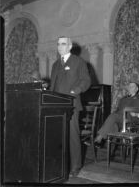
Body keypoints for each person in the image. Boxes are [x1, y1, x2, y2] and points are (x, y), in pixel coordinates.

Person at [50, 36, 91, 177]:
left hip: (71, 104)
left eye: (63, 44)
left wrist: (76, 90)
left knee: (72, 136)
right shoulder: (55, 64)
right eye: (58, 44)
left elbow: (86, 81)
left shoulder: (78, 62)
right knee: (57, 136)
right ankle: (60, 163)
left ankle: (75, 166)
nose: (60, 46)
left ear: (70, 46)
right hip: (56, 105)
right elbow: (53, 86)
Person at [91, 81, 139, 148]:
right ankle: (110, 152)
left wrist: (137, 115)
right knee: (113, 125)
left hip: (132, 121)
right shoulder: (123, 99)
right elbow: (117, 110)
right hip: (120, 120)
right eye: (129, 86)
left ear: (137, 89)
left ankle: (99, 138)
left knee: (113, 116)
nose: (130, 88)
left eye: (132, 86)